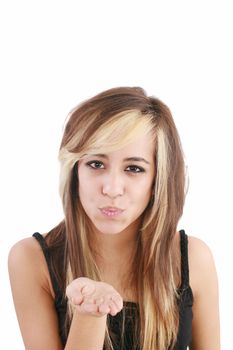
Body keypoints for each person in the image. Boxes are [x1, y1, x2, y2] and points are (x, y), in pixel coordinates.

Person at [8, 87, 220, 350]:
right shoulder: (32, 259)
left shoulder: (192, 258)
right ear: (75, 170)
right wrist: (90, 314)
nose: (111, 189)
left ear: (157, 180)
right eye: (96, 164)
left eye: (134, 168)